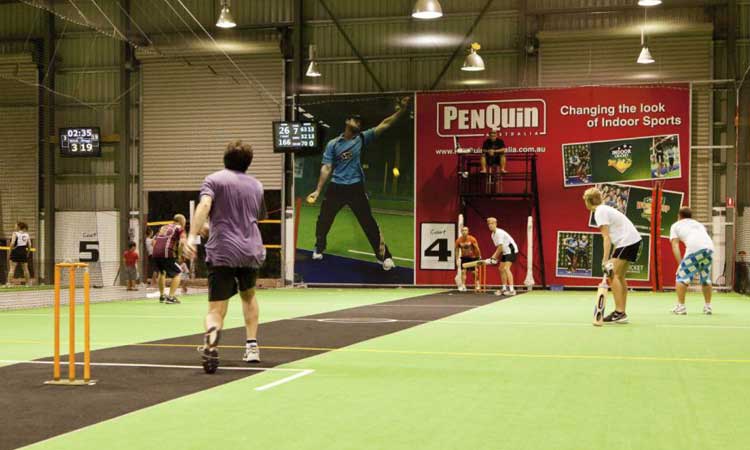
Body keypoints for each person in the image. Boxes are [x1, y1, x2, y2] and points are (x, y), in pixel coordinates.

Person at [184, 140, 267, 374]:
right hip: (250, 249)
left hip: (222, 251)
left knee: (215, 309)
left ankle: (211, 347)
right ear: (248, 163)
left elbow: (205, 205)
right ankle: (252, 348)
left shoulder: (214, 180)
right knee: (248, 296)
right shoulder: (257, 186)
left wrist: (192, 236)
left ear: (225, 158)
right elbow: (255, 217)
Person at [306, 97, 410, 271]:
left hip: (355, 188)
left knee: (368, 223)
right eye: (355, 120)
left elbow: (384, 124)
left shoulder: (362, 138)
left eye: (360, 122)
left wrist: (402, 111)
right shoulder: (333, 144)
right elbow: (326, 167)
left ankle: (384, 257)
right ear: (347, 121)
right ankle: (319, 246)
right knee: (324, 219)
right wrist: (317, 190)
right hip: (336, 187)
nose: (358, 124)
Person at [584, 187, 642, 324]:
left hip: (627, 242)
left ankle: (619, 312)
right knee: (619, 276)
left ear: (588, 201)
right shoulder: (605, 209)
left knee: (612, 274)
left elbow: (606, 238)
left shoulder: (599, 212)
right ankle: (621, 312)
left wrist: (605, 261)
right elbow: (616, 233)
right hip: (632, 241)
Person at [669, 207, 714, 315]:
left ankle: (681, 307)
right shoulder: (698, 224)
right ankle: (708, 307)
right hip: (709, 249)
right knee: (705, 278)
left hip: (695, 249)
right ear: (691, 216)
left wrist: (681, 264)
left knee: (681, 277)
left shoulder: (676, 225)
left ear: (679, 216)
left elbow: (675, 246)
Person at [152, 214, 187, 304]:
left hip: (155, 252)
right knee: (178, 272)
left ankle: (162, 296)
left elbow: (153, 241)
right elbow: (182, 242)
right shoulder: (179, 228)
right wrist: (179, 254)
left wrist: (158, 249)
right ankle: (171, 297)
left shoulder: (163, 227)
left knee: (162, 272)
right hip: (167, 252)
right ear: (182, 221)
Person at [484, 217, 518, 296]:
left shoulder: (499, 233)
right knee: (501, 269)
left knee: (506, 268)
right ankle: (504, 288)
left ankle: (512, 290)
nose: (490, 225)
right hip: (505, 252)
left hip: (511, 250)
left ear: (496, 224)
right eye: (489, 224)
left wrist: (493, 257)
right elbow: (499, 248)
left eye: (492, 223)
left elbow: (500, 248)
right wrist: (493, 257)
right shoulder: (493, 235)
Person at [455, 226, 481, 292]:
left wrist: (479, 256)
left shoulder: (472, 239)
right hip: (464, 258)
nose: (464, 232)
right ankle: (463, 286)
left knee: (474, 272)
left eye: (466, 230)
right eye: (463, 230)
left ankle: (477, 284)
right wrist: (457, 258)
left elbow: (477, 248)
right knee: (463, 272)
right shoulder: (458, 240)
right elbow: (457, 250)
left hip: (472, 257)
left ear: (468, 232)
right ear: (461, 232)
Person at [5, 222, 31, 287]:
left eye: (15, 226)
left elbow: (12, 243)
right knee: (25, 269)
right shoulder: (27, 234)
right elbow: (29, 245)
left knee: (12, 268)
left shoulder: (15, 233)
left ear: (19, 227)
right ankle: (28, 284)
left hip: (16, 251)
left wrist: (10, 252)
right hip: (23, 251)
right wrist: (27, 253)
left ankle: (9, 283)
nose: (15, 227)